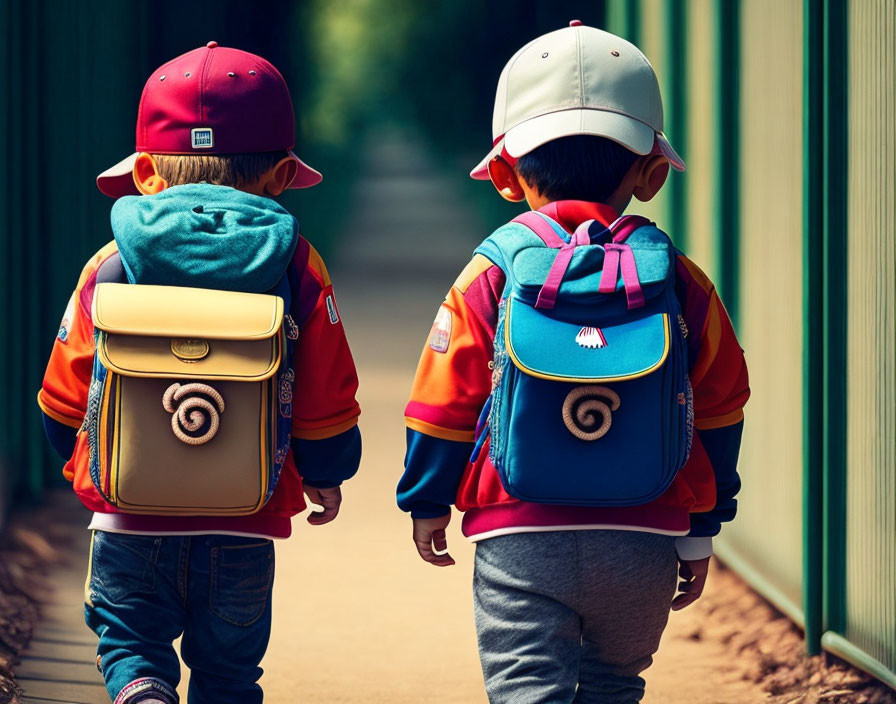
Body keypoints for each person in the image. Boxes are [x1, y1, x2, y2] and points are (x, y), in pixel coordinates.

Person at [397, 21, 749, 703]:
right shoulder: (682, 281)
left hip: (518, 530)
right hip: (646, 533)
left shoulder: (490, 271)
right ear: (649, 175)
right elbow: (722, 408)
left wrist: (426, 498)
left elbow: (442, 398)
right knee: (614, 686)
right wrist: (703, 527)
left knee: (528, 690)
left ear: (505, 173)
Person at [37, 43, 361, 704]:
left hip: (129, 513)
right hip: (245, 515)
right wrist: (327, 469)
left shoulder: (109, 264)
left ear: (149, 173)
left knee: (130, 642)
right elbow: (327, 392)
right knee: (231, 670)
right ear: (280, 176)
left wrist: (78, 465)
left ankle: (143, 690)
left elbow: (63, 399)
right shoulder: (299, 266)